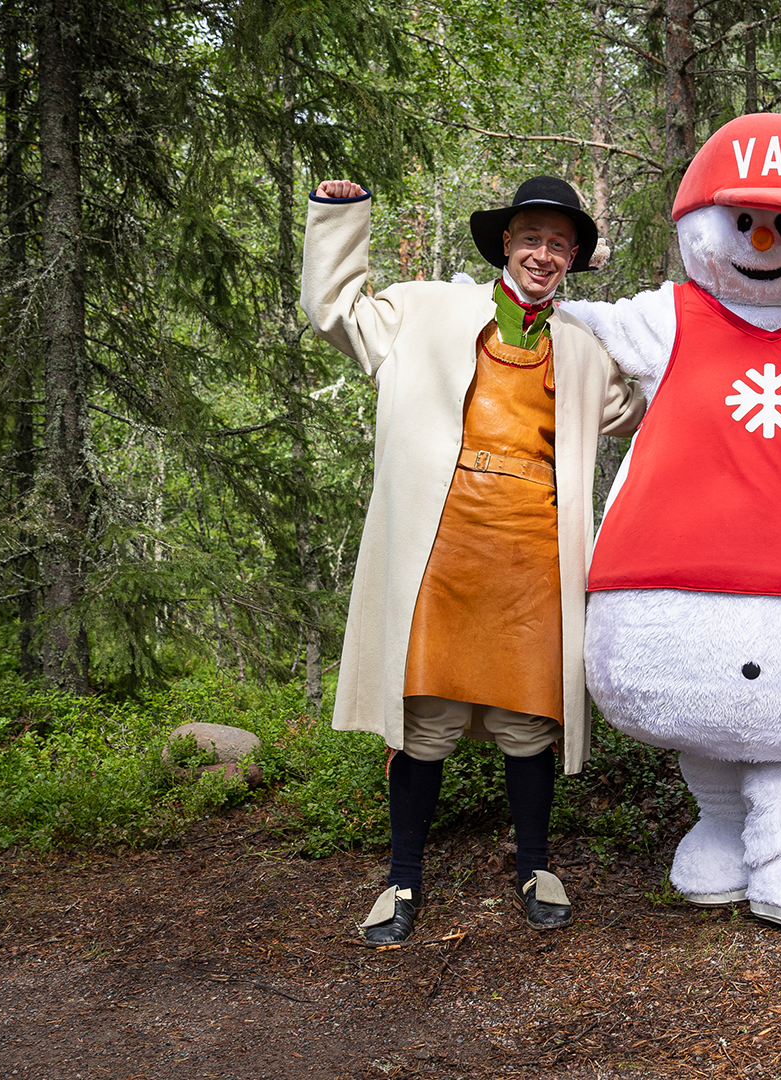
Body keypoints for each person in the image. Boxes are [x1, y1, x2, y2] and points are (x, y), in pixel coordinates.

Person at [300, 175, 645, 945]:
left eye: (560, 245)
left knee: (530, 721)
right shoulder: (426, 311)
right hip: (441, 550)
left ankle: (535, 864)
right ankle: (402, 879)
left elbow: (638, 414)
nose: (544, 254)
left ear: (575, 260)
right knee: (425, 720)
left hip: (533, 559)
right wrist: (338, 219)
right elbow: (335, 312)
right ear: (505, 245)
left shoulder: (586, 352)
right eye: (531, 239)